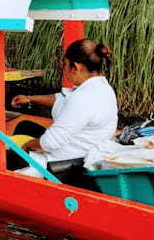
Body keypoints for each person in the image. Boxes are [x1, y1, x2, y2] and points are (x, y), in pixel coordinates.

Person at [10, 39, 118, 173]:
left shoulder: (84, 98)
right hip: (82, 149)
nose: (64, 70)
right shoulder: (103, 88)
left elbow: (50, 143)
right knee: (25, 126)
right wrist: (29, 99)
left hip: (67, 161)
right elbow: (61, 99)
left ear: (76, 67)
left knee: (9, 156)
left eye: (65, 64)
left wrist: (26, 145)